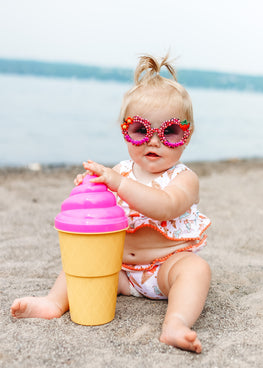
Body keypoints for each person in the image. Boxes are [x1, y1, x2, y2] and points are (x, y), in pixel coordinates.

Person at [11, 54, 212, 353]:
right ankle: (54, 302)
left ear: (187, 135)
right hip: (120, 271)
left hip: (165, 271)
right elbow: (97, 215)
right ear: (125, 131)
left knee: (196, 270)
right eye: (140, 130)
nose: (153, 140)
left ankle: (176, 322)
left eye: (169, 131)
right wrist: (89, 190)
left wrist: (118, 184)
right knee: (81, 264)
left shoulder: (184, 179)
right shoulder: (119, 172)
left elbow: (165, 206)